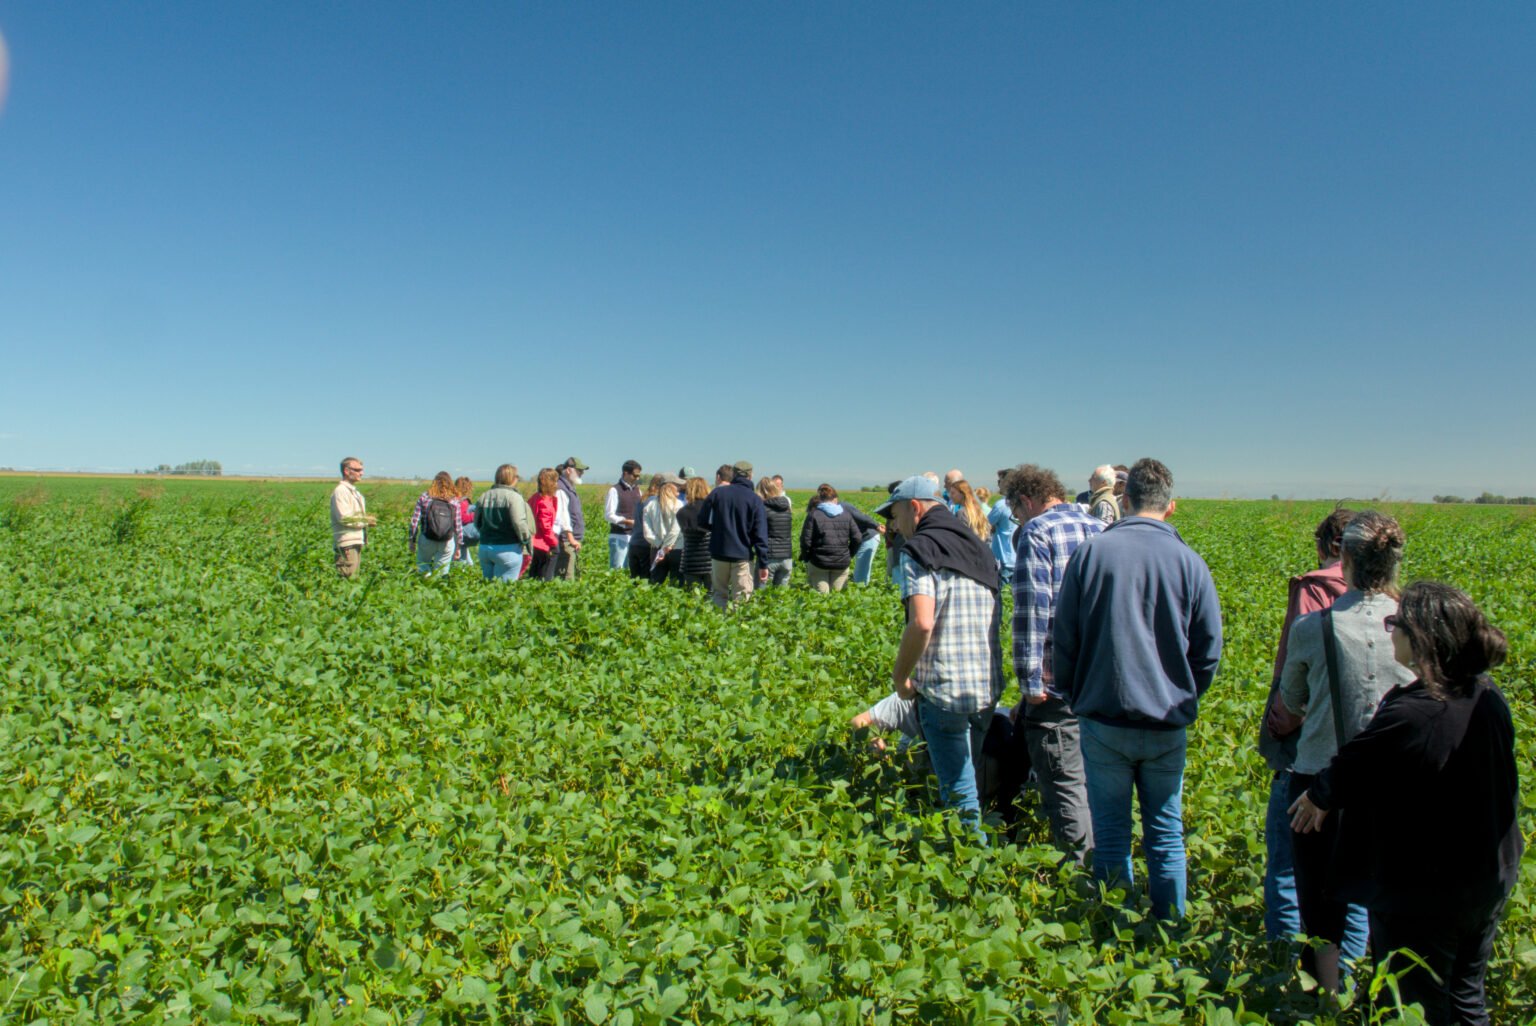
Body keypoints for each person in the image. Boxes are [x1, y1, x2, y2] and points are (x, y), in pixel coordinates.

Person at [1290, 582, 1522, 1026]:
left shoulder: (1417, 711)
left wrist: (1318, 796)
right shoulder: (1486, 695)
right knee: (1466, 998)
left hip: (1426, 890)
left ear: (1422, 638)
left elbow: (1353, 764)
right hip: (1486, 879)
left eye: (1396, 623)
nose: (1389, 629)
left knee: (1412, 1006)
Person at [1053, 458, 1223, 919]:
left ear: (1124, 501)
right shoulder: (1190, 563)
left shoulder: (1091, 554)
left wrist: (1074, 693)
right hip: (1168, 720)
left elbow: (1064, 637)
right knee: (1165, 832)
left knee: (1110, 830)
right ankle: (1170, 929)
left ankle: (1117, 925)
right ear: (1171, 507)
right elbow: (1208, 651)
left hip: (1103, 716)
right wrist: (1185, 693)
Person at [1277, 511, 1413, 992]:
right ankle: (1384, 1004)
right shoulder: (1416, 627)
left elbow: (1291, 700)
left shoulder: (1314, 627)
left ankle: (1327, 1002)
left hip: (1318, 782)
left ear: (1345, 557)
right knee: (1390, 909)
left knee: (1320, 908)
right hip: (1395, 789)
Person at [1257, 509, 1363, 954]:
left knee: (1287, 862)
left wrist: (1282, 719)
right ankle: (1353, 975)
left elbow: (1296, 669)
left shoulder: (1313, 588)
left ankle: (1287, 967)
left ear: (1326, 545)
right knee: (1356, 871)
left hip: (1309, 751)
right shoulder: (1393, 602)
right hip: (1365, 756)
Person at [875, 475, 1003, 834]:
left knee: (958, 791)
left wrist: (900, 678)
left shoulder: (919, 549)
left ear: (915, 508)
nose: (894, 525)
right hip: (985, 686)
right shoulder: (979, 547)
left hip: (945, 688)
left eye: (896, 515)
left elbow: (922, 623)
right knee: (968, 774)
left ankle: (969, 867)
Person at [1003, 464, 1103, 862]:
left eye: (1016, 512)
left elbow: (1032, 611)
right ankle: (1111, 867)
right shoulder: (1100, 528)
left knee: (1066, 784)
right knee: (1097, 780)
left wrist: (1030, 685)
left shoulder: (1037, 532)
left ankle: (1083, 881)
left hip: (1056, 682)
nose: (1019, 520)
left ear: (1026, 502)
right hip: (1100, 681)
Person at [696, 460, 771, 610]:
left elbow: (701, 521)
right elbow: (760, 535)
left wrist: (716, 529)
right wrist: (763, 563)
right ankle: (738, 629)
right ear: (751, 475)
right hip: (742, 556)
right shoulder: (755, 499)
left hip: (719, 553)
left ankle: (717, 629)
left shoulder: (717, 493)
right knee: (742, 597)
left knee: (719, 594)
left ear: (734, 474)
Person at [800, 484, 865, 592]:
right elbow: (857, 538)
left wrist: (807, 557)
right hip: (841, 562)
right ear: (835, 499)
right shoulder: (846, 515)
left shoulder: (814, 514)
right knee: (838, 599)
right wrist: (849, 554)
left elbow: (805, 540)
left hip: (819, 562)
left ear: (820, 499)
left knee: (821, 599)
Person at [475, 464, 534, 582]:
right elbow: (519, 523)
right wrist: (526, 540)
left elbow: (477, 523)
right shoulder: (514, 497)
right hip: (507, 549)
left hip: (485, 548)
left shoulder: (484, 496)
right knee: (504, 593)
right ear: (512, 478)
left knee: (487, 588)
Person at [408, 471, 465, 576]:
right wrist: (458, 547)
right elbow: (458, 526)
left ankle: (425, 584)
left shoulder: (425, 497)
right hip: (447, 541)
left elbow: (414, 522)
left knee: (423, 567)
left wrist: (412, 540)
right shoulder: (454, 501)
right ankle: (438, 587)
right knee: (441, 573)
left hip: (427, 539)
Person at [329, 456, 374, 578]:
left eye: (362, 470)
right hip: (346, 543)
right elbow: (344, 517)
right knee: (348, 577)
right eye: (358, 470)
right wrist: (365, 521)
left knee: (353, 576)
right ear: (347, 471)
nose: (362, 473)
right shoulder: (341, 491)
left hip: (354, 540)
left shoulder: (353, 491)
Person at [643, 474, 685, 585]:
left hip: (656, 550)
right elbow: (676, 529)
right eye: (677, 485)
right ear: (670, 486)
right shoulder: (679, 505)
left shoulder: (650, 505)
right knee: (676, 585)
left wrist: (660, 545)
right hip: (676, 549)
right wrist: (667, 546)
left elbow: (647, 533)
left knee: (655, 583)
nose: (679, 488)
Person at [527, 468, 568, 581]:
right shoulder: (545, 501)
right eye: (555, 481)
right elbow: (545, 526)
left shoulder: (535, 497)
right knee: (546, 575)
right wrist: (553, 543)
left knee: (535, 572)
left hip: (535, 541)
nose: (557, 484)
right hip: (544, 542)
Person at [604, 460, 644, 571]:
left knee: (631, 570)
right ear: (625, 473)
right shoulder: (614, 490)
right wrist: (627, 521)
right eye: (635, 475)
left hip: (634, 537)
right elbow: (609, 515)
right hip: (619, 537)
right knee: (617, 570)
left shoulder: (638, 490)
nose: (637, 478)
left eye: (639, 476)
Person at [675, 476, 714, 589]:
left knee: (694, 597)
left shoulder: (681, 512)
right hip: (709, 560)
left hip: (689, 560)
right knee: (712, 596)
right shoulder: (712, 510)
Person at [756, 476, 794, 586]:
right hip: (787, 557)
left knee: (762, 596)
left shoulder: (763, 508)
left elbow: (759, 534)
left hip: (769, 557)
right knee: (781, 598)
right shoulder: (786, 507)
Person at [554, 457, 587, 580]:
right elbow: (563, 516)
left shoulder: (568, 487)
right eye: (579, 471)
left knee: (569, 573)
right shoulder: (561, 488)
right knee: (566, 577)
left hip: (570, 540)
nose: (581, 474)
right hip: (565, 540)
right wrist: (571, 538)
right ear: (568, 470)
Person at [627, 474, 664, 580]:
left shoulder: (642, 499)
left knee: (635, 580)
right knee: (646, 581)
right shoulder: (654, 501)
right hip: (646, 545)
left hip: (634, 543)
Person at [986, 469, 1017, 586]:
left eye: (1000, 481)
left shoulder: (1001, 505)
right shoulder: (1023, 502)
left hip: (1003, 559)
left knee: (1000, 597)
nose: (998, 484)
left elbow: (986, 525)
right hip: (1018, 559)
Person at [846, 499, 885, 585]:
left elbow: (863, 517)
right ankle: (862, 587)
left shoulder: (843, 507)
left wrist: (877, 526)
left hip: (868, 537)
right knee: (860, 572)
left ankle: (862, 590)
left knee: (860, 575)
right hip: (858, 540)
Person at [452, 476, 478, 564]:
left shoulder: (453, 499)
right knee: (461, 559)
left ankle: (469, 569)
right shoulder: (462, 501)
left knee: (466, 558)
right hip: (459, 533)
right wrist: (475, 515)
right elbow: (463, 518)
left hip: (454, 532)